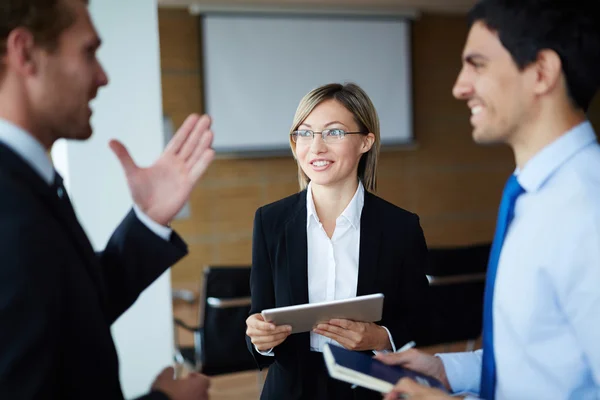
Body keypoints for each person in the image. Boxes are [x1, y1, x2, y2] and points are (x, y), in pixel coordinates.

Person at [377, 1, 600, 399]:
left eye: (477, 64)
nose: (459, 86)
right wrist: (447, 370)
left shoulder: (588, 208)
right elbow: (537, 362)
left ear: (541, 72)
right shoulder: (531, 195)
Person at [0, 1, 215, 399]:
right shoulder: (10, 206)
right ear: (25, 53)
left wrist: (147, 220)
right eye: (88, 51)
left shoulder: (27, 181)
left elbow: (68, 312)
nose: (103, 77)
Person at [245, 82, 432, 400]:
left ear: (365, 142)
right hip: (290, 390)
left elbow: (422, 319)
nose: (316, 148)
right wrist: (260, 337)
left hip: (372, 388)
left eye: (333, 132)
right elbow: (258, 319)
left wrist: (380, 337)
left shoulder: (401, 227)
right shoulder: (270, 221)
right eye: (305, 133)